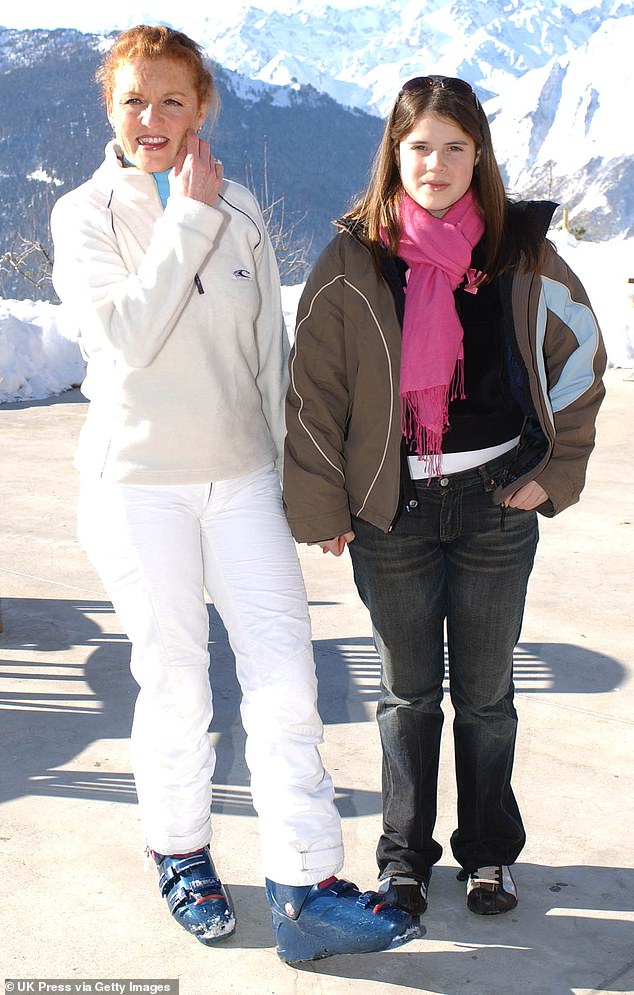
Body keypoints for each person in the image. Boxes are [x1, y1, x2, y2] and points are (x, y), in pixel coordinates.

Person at [50, 24, 418, 964]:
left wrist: (308, 485)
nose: (153, 117)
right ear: (110, 108)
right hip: (140, 488)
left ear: (202, 105)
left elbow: (269, 360)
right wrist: (186, 215)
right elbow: (129, 337)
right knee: (175, 682)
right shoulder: (85, 213)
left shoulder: (240, 204)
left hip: (243, 476)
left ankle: (307, 884)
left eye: (172, 98)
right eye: (134, 98)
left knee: (287, 676)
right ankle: (180, 852)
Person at [283, 74, 606, 918]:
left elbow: (581, 360)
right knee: (407, 694)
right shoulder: (354, 256)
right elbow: (313, 387)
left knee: (488, 694)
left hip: (497, 505)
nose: (435, 163)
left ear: (479, 156)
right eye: (418, 145)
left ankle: (490, 855)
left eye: (454, 147)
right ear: (394, 151)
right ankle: (403, 860)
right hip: (392, 515)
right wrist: (323, 506)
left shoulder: (519, 249)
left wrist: (555, 470)